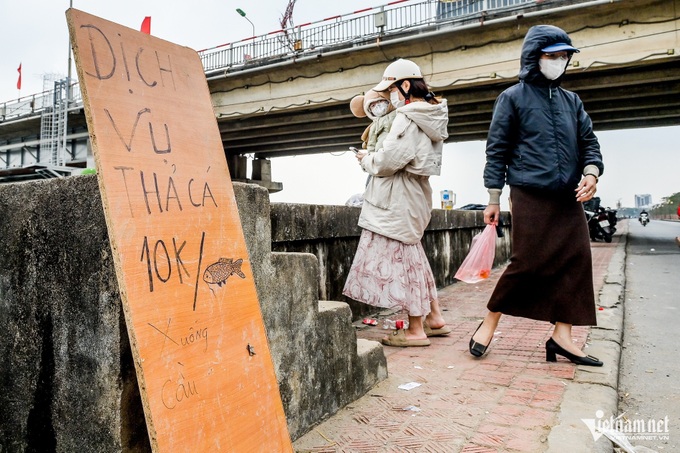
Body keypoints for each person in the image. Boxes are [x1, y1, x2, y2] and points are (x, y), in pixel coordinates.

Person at [469, 25, 605, 366]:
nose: (559, 62)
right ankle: (489, 321)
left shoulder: (572, 101)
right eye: (552, 55)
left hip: (569, 196)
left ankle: (562, 336)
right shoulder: (512, 97)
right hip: (529, 192)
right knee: (527, 261)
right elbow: (496, 151)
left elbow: (590, 145)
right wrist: (493, 198)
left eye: (564, 56)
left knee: (576, 260)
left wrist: (591, 173)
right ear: (535, 57)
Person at [342, 58, 451, 347]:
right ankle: (434, 318)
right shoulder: (429, 114)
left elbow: (389, 161)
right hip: (414, 193)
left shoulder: (408, 116)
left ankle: (415, 329)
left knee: (402, 262)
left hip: (397, 196)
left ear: (404, 85)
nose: (388, 96)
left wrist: (367, 160)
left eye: (390, 89)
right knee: (413, 256)